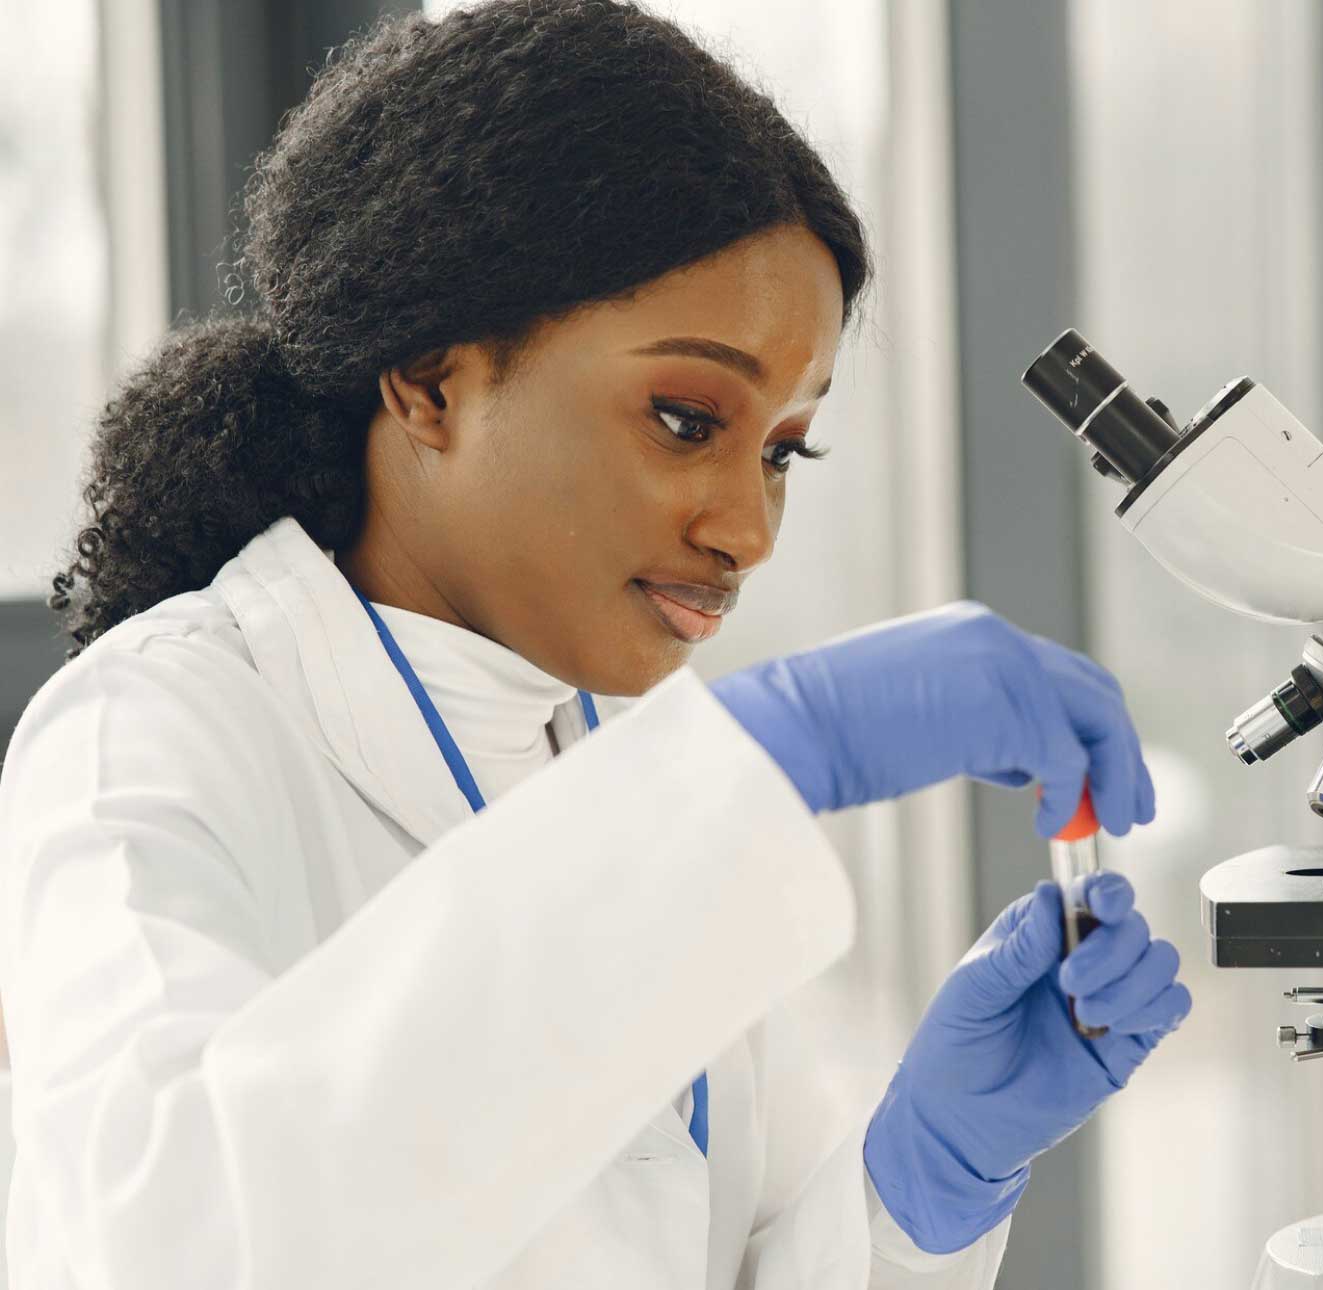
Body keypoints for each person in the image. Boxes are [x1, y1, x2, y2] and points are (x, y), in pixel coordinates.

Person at [0, 3, 1190, 1287]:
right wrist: (777, 753)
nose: (748, 528)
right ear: (427, 377)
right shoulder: (151, 731)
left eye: (785, 450)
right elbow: (172, 1244)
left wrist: (923, 1186)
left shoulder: (607, 772)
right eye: (686, 419)